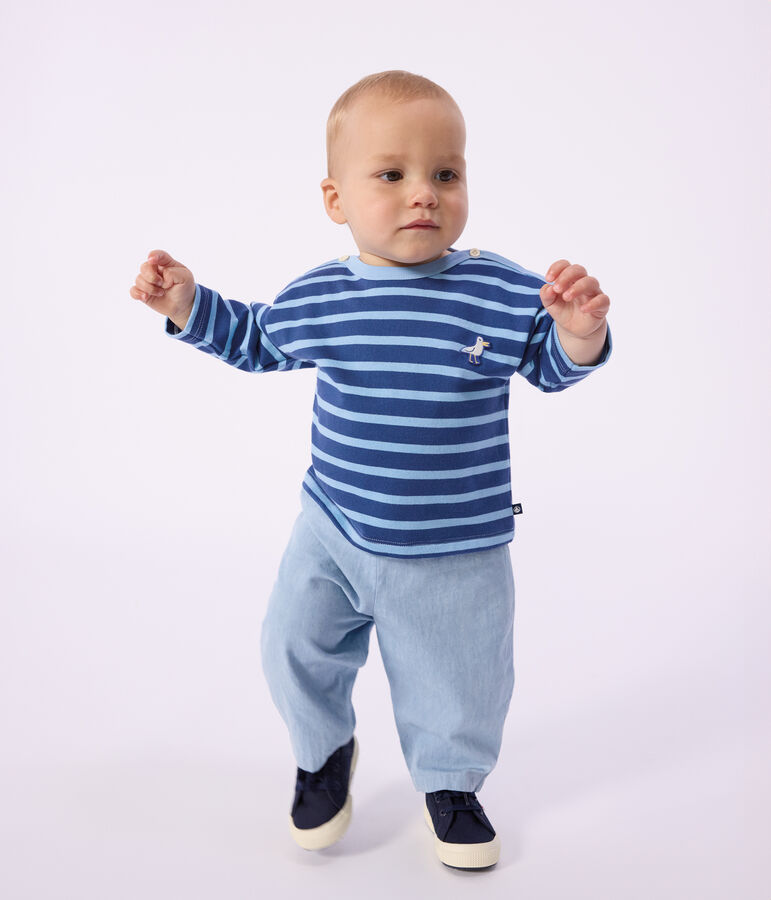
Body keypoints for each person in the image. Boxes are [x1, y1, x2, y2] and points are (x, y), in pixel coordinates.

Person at [129, 69, 612, 870]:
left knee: (459, 682)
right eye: (391, 175)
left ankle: (450, 784)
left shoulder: (500, 289)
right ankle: (323, 753)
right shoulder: (326, 294)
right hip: (335, 529)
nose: (422, 193)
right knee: (292, 642)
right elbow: (256, 339)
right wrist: (187, 304)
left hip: (454, 549)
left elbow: (552, 369)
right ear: (336, 200)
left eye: (445, 173)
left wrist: (578, 333)